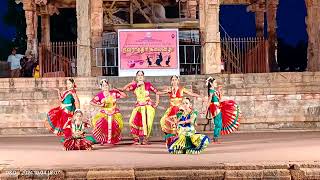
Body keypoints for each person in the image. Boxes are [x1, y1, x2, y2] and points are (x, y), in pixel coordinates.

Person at [121, 70, 159, 145]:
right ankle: (136, 138)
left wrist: (157, 103)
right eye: (138, 75)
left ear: (143, 77)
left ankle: (145, 138)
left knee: (147, 121)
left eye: (141, 75)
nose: (140, 76)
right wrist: (130, 83)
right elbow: (123, 89)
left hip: (148, 106)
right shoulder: (134, 86)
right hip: (138, 105)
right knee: (132, 121)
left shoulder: (148, 84)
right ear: (136, 77)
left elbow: (156, 92)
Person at [90, 79, 127, 145]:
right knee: (102, 125)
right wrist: (99, 104)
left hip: (114, 112)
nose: (105, 87)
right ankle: (103, 139)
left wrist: (118, 90)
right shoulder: (100, 95)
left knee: (115, 126)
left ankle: (112, 139)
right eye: (103, 85)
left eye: (106, 85)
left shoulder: (113, 93)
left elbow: (124, 96)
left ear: (108, 86)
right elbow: (91, 102)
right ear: (101, 87)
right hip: (104, 112)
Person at [205, 77, 241, 143]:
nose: (216, 83)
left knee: (219, 123)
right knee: (218, 123)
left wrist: (219, 91)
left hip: (218, 106)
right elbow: (209, 100)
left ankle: (215, 137)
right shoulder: (211, 91)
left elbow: (219, 99)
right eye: (215, 82)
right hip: (215, 107)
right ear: (211, 83)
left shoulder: (214, 91)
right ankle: (215, 138)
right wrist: (206, 109)